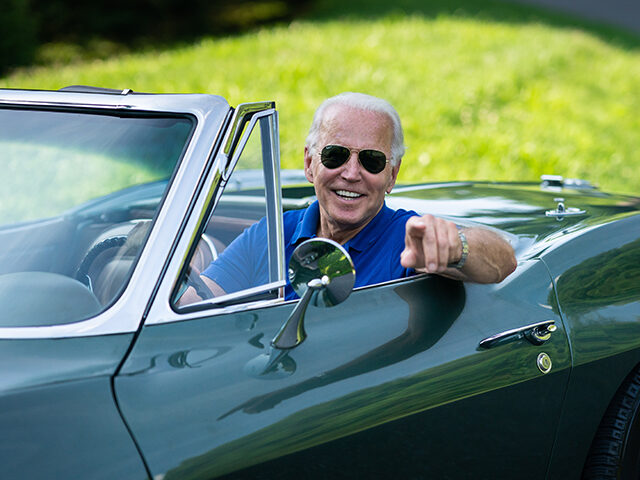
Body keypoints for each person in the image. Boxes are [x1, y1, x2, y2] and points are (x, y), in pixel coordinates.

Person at [180, 92, 516, 305]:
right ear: (310, 164)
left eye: (371, 160)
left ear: (392, 176)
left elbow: (503, 261)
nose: (351, 173)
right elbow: (200, 302)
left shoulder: (409, 239)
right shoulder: (272, 234)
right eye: (335, 155)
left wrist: (456, 248)